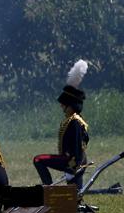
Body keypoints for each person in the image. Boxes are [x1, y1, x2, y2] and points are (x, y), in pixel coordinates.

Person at [33, 60, 90, 188]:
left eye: (63, 103)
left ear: (70, 105)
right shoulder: (73, 119)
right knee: (75, 197)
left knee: (38, 160)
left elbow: (77, 148)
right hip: (72, 161)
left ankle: (48, 189)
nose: (61, 105)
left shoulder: (75, 122)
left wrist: (72, 168)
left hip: (73, 162)